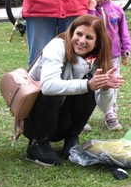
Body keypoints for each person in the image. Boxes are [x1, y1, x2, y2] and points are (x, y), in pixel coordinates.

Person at [23, 14, 124, 167]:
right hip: (33, 120)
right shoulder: (57, 46)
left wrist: (105, 88)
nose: (82, 40)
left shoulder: (98, 59)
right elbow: (48, 86)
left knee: (90, 89)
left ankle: (71, 138)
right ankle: (38, 143)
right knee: (59, 89)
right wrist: (88, 85)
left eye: (89, 37)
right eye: (79, 34)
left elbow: (104, 106)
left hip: (62, 119)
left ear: (97, 42)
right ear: (71, 33)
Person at [87, 0, 131, 131]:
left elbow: (123, 32)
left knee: (111, 82)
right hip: (92, 56)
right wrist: (91, 9)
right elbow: (88, 26)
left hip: (112, 56)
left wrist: (126, 51)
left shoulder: (116, 10)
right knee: (90, 83)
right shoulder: (89, 9)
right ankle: (84, 115)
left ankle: (110, 112)